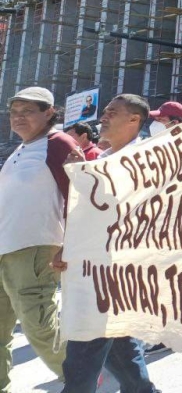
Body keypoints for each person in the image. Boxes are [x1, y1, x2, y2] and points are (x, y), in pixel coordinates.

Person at [56, 94, 162, 393]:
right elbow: (89, 212)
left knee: (83, 353)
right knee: (122, 354)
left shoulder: (149, 156)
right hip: (94, 266)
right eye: (104, 112)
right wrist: (70, 245)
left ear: (134, 120)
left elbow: (130, 207)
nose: (103, 117)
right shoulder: (100, 160)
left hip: (119, 272)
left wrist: (85, 177)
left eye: (112, 113)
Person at [0, 87, 75, 393]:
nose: (18, 118)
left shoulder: (58, 144)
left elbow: (79, 195)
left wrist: (71, 245)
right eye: (14, 112)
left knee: (40, 326)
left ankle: (81, 378)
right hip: (5, 248)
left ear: (48, 113)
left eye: (27, 111)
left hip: (34, 249)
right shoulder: (19, 151)